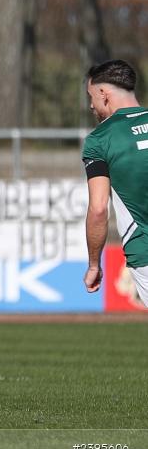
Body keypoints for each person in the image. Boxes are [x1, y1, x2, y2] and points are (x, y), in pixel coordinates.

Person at [82, 59, 148, 307]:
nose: (91, 105)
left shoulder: (100, 140)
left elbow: (99, 208)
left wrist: (94, 264)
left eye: (91, 97)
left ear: (103, 93)